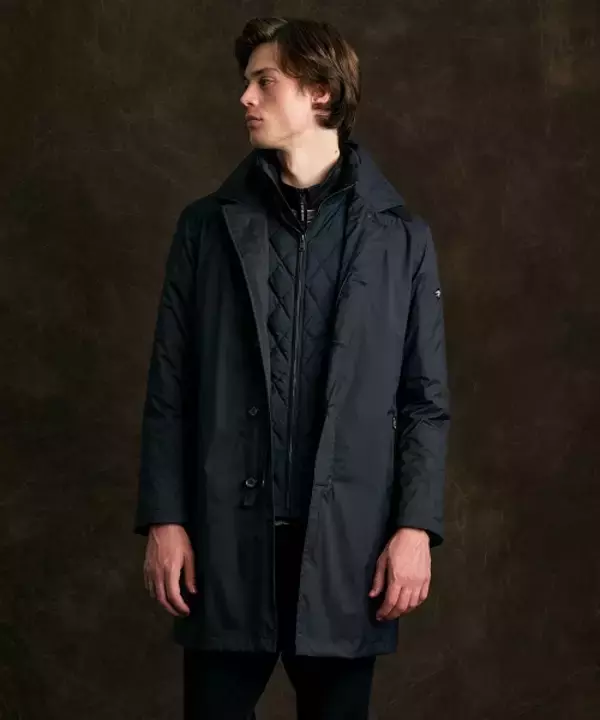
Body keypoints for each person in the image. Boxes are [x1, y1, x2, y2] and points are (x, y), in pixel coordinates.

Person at [133, 16, 451, 720]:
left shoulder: (402, 240)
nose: (245, 97)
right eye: (246, 82)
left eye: (264, 81)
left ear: (320, 93)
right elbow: (170, 390)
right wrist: (165, 518)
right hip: (222, 543)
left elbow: (423, 400)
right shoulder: (205, 228)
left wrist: (414, 528)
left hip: (348, 550)